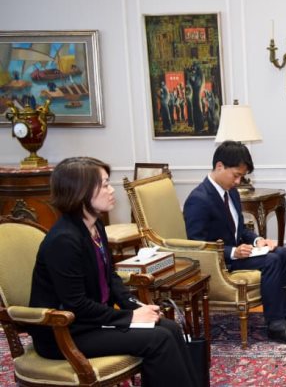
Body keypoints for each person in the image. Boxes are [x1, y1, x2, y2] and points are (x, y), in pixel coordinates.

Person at [29, 157, 198, 386]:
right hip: (64, 333)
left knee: (169, 327)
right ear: (80, 191)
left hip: (90, 322)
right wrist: (129, 317)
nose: (111, 190)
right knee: (158, 339)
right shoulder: (64, 240)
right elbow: (76, 305)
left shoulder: (95, 226)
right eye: (105, 184)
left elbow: (110, 277)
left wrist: (136, 307)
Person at [184, 141, 286, 344]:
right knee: (272, 261)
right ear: (219, 166)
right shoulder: (199, 199)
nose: (238, 181)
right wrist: (232, 252)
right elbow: (198, 245)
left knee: (283, 253)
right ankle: (276, 326)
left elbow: (240, 229)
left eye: (241, 177)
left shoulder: (231, 192)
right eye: (236, 175)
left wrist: (258, 240)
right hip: (220, 262)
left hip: (237, 255)